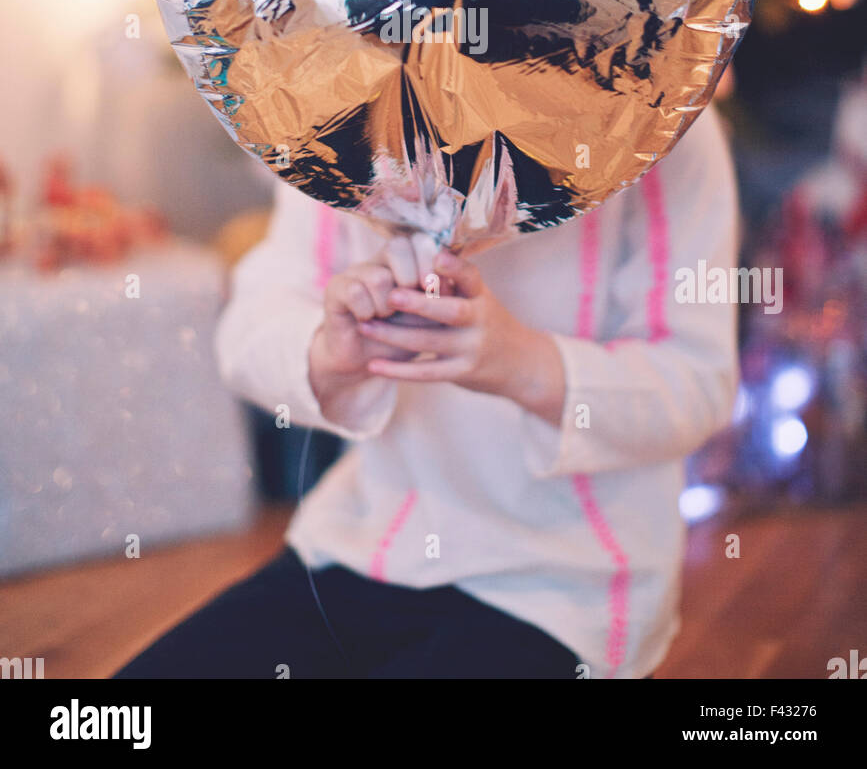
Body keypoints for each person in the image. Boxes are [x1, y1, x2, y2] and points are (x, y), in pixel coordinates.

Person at [114, 104, 738, 680]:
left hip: (564, 585)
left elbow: (697, 380)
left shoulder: (667, 125)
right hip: (364, 543)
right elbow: (252, 325)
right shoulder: (334, 103)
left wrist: (520, 362)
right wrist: (327, 350)